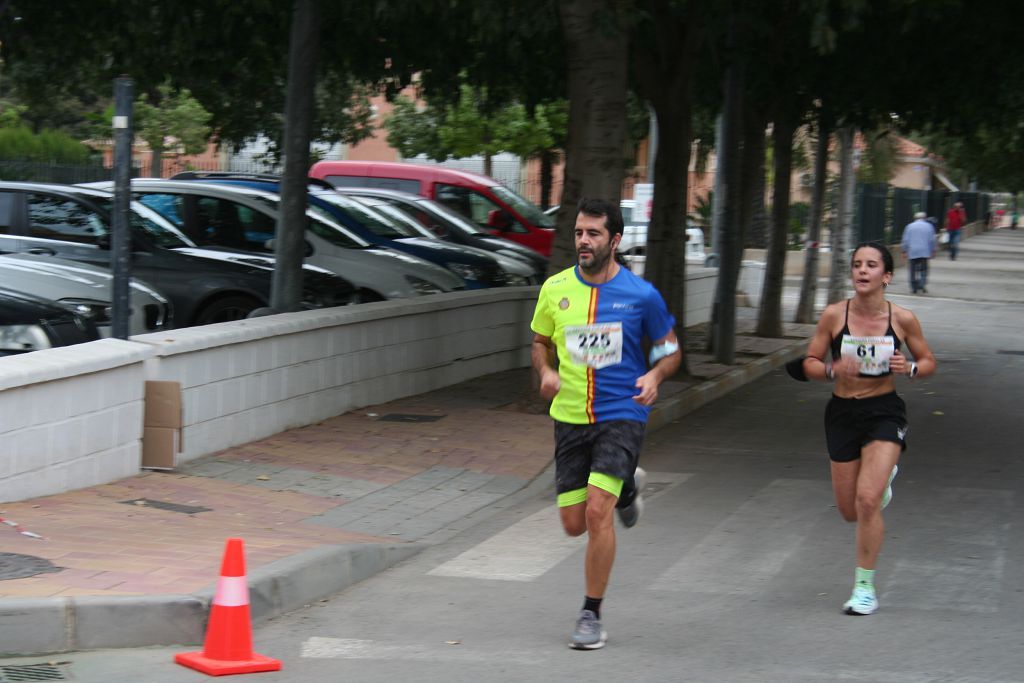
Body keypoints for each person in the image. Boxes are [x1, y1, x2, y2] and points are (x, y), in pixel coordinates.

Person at [531, 197, 680, 650]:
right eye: (579, 232)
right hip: (570, 418)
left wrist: (654, 375)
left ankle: (590, 614)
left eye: (593, 233)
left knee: (598, 512)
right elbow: (539, 341)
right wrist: (546, 371)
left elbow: (669, 350)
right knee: (573, 524)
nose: (583, 241)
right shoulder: (554, 288)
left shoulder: (641, 295)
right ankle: (628, 486)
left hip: (622, 412)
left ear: (614, 240)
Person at [801, 242, 936, 615]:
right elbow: (810, 361)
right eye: (857, 264)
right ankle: (880, 488)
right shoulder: (833, 315)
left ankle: (864, 588)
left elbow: (927, 362)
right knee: (849, 510)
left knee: (866, 501)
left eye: (871, 265)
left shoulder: (903, 319)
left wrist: (907, 367)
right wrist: (830, 369)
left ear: (886, 276)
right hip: (842, 412)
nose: (862, 271)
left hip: (883, 412)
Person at [900, 211, 937, 294]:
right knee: (924, 269)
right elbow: (932, 240)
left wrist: (904, 250)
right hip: (925, 251)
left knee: (912, 270)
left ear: (915, 218)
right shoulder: (929, 226)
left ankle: (914, 287)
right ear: (924, 218)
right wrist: (933, 250)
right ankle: (922, 283)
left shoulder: (909, 226)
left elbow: (905, 240)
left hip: (913, 251)